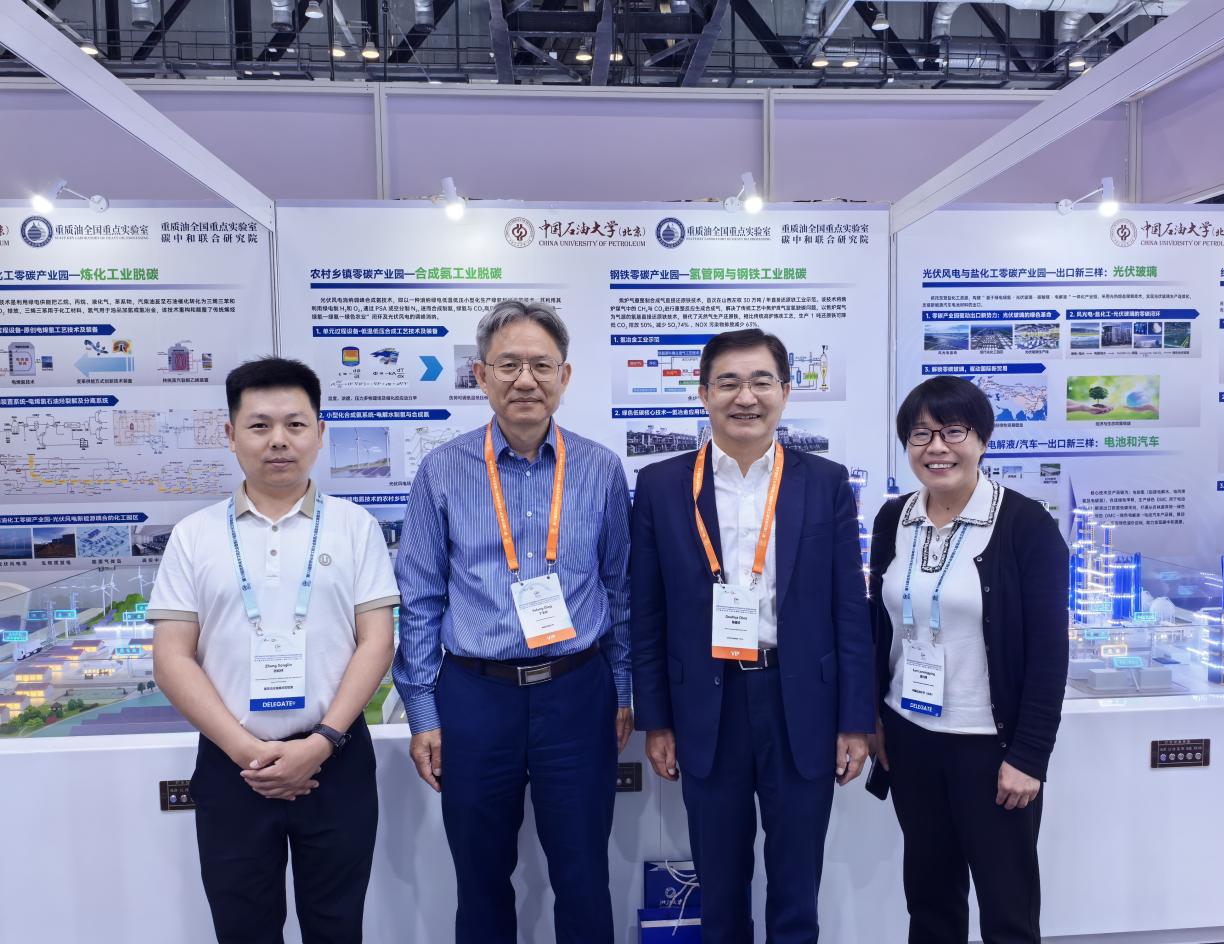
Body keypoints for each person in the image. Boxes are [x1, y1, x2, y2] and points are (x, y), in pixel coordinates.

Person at [392, 300, 633, 944]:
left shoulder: (601, 469)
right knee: (479, 877)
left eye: (541, 365)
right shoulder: (441, 470)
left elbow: (621, 590)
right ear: (480, 375)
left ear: (565, 376)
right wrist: (424, 713)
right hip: (476, 696)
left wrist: (623, 689)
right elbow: (420, 600)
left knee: (584, 874)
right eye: (508, 365)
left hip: (577, 691)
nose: (525, 379)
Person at [630, 328, 874, 944]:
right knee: (720, 886)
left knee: (796, 887)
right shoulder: (661, 485)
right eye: (729, 383)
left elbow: (850, 609)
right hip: (706, 706)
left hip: (801, 704)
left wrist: (855, 721)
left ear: (785, 392)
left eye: (762, 381)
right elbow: (647, 612)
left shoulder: (824, 482)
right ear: (704, 393)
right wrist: (657, 721)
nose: (746, 397)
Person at [149, 356, 400, 944]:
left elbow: (377, 641)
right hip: (232, 764)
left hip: (335, 759)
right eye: (260, 425)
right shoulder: (193, 536)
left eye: (295, 424)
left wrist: (322, 742)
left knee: (337, 925)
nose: (278, 440)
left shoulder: (356, 527)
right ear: (231, 434)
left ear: (320, 432)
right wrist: (248, 753)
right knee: (243, 928)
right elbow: (172, 658)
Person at [867, 375, 1068, 944]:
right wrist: (874, 716)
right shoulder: (893, 519)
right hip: (911, 737)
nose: (937, 447)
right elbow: (879, 623)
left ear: (981, 438)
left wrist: (1029, 756)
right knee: (930, 902)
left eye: (953, 431)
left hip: (991, 747)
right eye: (920, 434)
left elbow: (1049, 652)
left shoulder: (1026, 525)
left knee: (1007, 911)